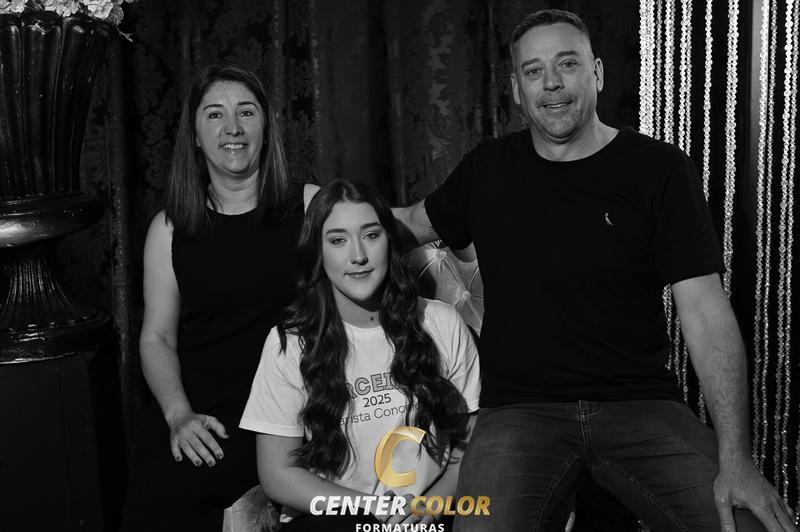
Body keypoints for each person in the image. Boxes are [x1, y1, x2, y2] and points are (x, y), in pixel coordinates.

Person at [394, 9, 796, 532]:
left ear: (597, 73)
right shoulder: (488, 169)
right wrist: (313, 208)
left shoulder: (658, 169)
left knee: (751, 527)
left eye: (567, 64)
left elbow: (705, 312)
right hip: (520, 412)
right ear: (516, 88)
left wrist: (737, 460)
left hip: (639, 404)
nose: (551, 83)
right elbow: (407, 224)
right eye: (534, 71)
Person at [121, 63, 313, 531]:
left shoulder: (312, 206)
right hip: (201, 409)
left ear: (266, 127)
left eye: (246, 112)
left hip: (284, 410)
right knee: (160, 495)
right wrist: (178, 415)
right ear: (194, 135)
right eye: (214, 114)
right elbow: (157, 337)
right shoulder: (169, 228)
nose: (232, 127)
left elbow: (383, 230)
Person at [239, 180, 481, 531]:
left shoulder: (441, 323)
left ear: (389, 241)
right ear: (318, 252)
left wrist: (430, 505)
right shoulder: (290, 344)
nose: (358, 256)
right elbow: (278, 474)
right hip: (334, 519)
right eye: (338, 240)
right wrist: (371, 508)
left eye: (370, 235)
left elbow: (473, 446)